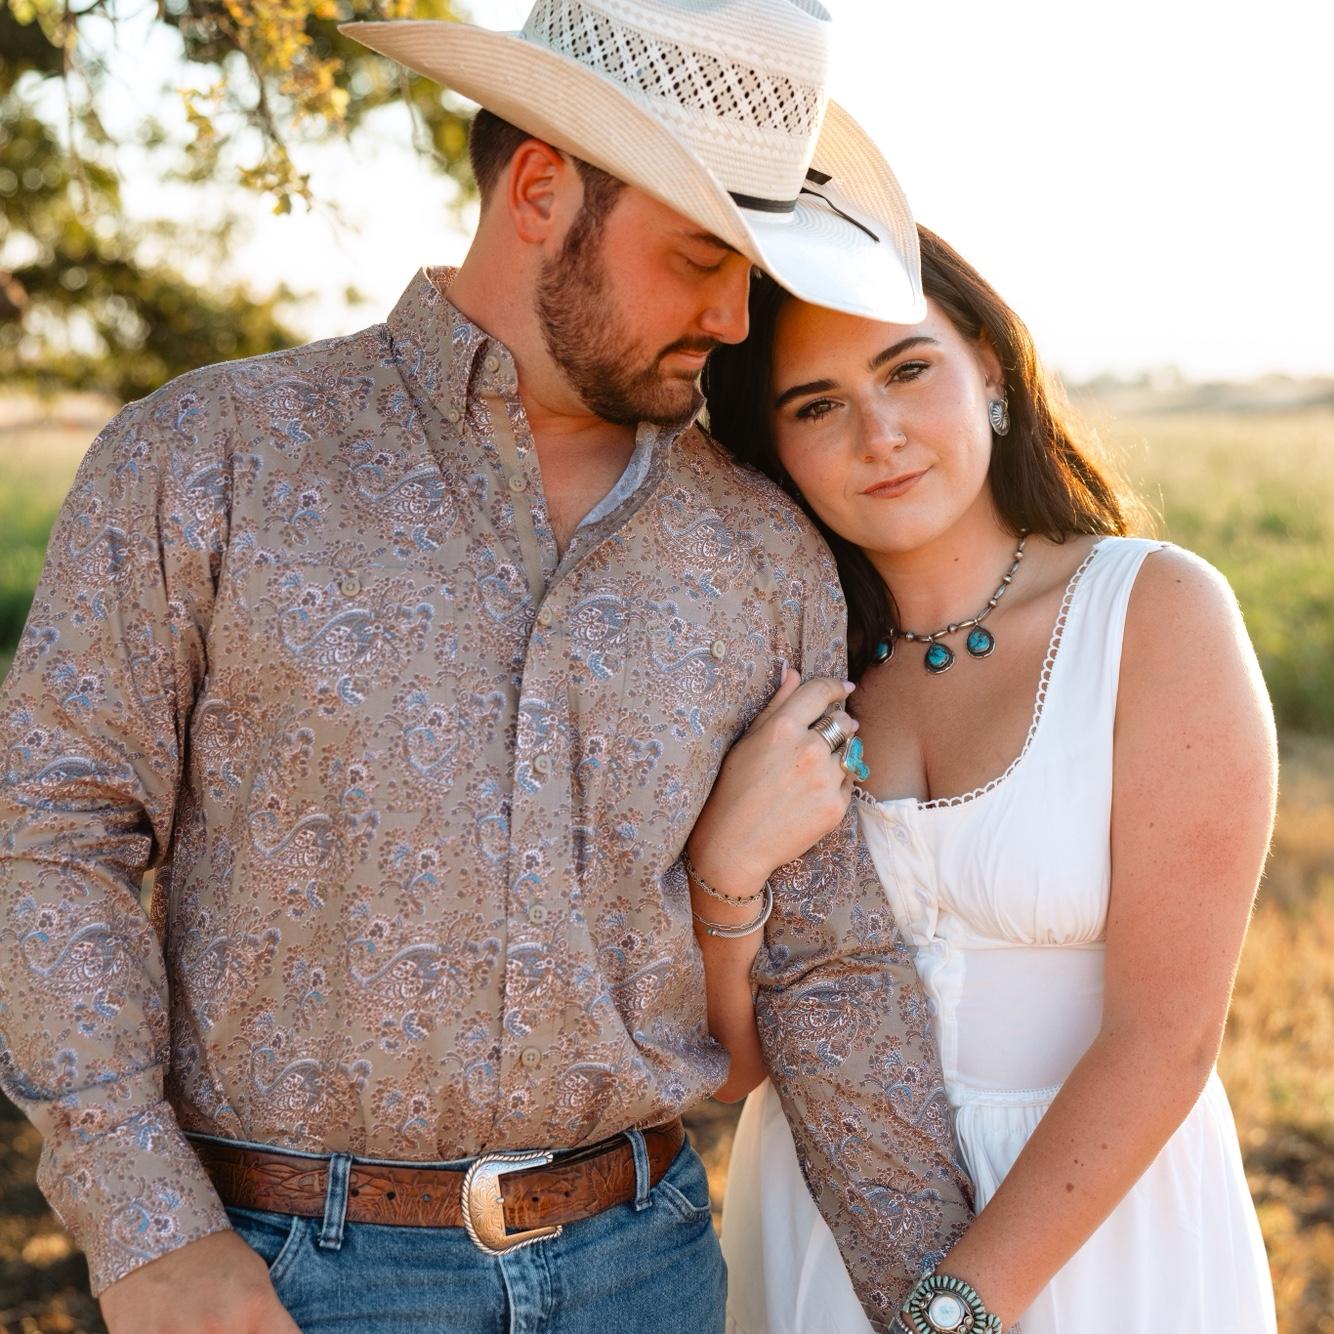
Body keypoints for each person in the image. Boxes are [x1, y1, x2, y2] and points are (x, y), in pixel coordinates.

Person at [0, 4, 975, 1332]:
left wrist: (938, 1304)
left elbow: (828, 964)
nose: (734, 314)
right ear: (537, 191)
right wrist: (147, 1232)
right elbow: (50, 829)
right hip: (284, 1279)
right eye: (699, 258)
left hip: (646, 1271)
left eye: (749, 268)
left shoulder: (761, 550)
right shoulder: (208, 457)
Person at [695, 227, 1279, 1333]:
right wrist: (725, 863)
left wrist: (956, 1312)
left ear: (992, 373)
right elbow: (731, 1070)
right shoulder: (779, 667)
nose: (878, 434)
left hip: (1095, 1227)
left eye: (908, 370)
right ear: (771, 447)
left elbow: (1165, 1038)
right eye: (816, 405)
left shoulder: (1152, 613)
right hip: (825, 1221)